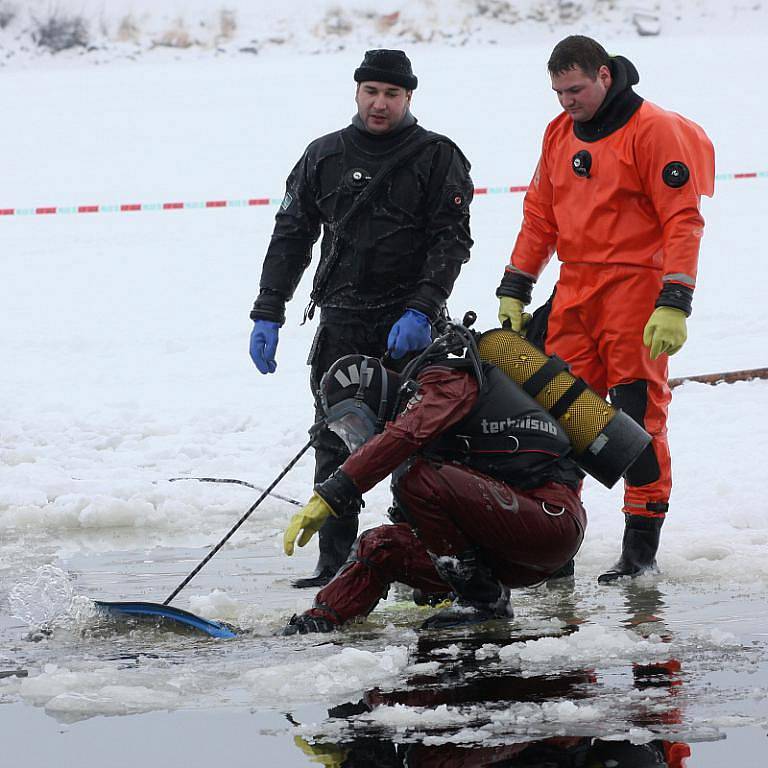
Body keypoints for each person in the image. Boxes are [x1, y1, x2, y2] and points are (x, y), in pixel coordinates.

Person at [248, 49, 474, 588]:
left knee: (418, 440)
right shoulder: (323, 155)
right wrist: (268, 310)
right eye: (371, 91)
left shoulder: (438, 156)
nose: (380, 103)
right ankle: (335, 564)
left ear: (408, 98)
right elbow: (291, 237)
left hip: (412, 328)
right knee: (335, 437)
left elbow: (452, 240)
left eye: (391, 94)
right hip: (342, 322)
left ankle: (425, 560)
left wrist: (422, 306)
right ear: (356, 92)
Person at [496, 36, 715, 583]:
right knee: (559, 415)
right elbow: (540, 216)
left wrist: (675, 300)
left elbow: (682, 221)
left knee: (637, 419)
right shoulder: (558, 132)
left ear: (604, 76)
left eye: (575, 90)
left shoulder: (653, 129)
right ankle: (556, 543)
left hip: (636, 290)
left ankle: (639, 553)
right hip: (576, 289)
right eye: (557, 92)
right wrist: (516, 286)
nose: (566, 101)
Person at [280, 333, 586, 634]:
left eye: (355, 423)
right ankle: (324, 618)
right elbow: (423, 522)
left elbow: (407, 434)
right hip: (506, 546)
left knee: (414, 479)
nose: (356, 437)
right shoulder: (420, 440)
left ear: (376, 398)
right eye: (345, 431)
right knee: (379, 545)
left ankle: (482, 599)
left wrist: (335, 491)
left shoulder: (445, 382)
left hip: (550, 521)